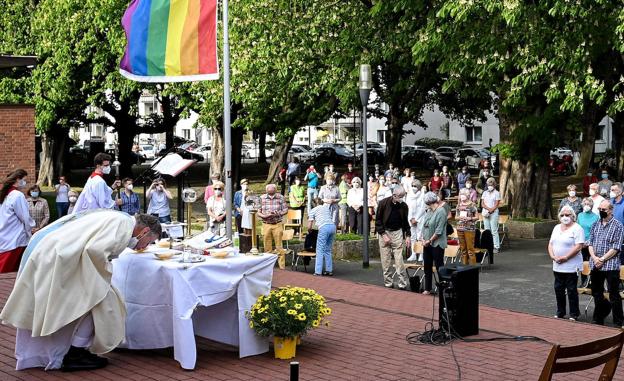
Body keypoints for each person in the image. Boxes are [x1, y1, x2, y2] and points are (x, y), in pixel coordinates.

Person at [0, 211, 161, 371]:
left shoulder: (119, 217)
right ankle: (74, 354)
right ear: (144, 231)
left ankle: (62, 352)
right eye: (149, 241)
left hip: (46, 250)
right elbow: (95, 251)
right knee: (102, 302)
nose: (145, 246)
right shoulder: (123, 227)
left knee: (84, 302)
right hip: (57, 257)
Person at [588, 200, 624, 326]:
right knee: (596, 293)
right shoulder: (595, 224)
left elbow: (616, 247)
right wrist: (594, 258)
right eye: (600, 209)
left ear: (610, 210)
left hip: (610, 265)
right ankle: (598, 318)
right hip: (595, 264)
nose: (601, 211)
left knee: (614, 294)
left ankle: (618, 321)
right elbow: (590, 243)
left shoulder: (617, 225)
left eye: (604, 209)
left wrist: (602, 259)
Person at [548, 205, 584, 321]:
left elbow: (579, 246)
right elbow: (551, 244)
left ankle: (574, 313)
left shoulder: (577, 228)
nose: (565, 217)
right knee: (558, 289)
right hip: (557, 265)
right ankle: (560, 312)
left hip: (571, 266)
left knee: (571, 290)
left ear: (573, 216)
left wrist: (566, 257)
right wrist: (553, 256)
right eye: (562, 215)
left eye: (567, 215)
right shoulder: (556, 228)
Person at [375, 186, 411, 290]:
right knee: (385, 260)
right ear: (394, 195)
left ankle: (402, 283)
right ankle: (388, 283)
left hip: (397, 232)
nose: (401, 199)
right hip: (385, 231)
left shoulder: (404, 206)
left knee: (399, 260)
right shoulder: (383, 203)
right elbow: (378, 221)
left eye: (403, 196)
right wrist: (383, 234)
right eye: (400, 196)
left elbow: (405, 222)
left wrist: (408, 235)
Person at [0, 169, 35, 273]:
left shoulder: (5, 194)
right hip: (14, 238)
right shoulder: (17, 195)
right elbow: (25, 217)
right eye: (24, 180)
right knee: (6, 273)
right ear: (17, 179)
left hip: (4, 235)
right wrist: (31, 231)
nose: (25, 183)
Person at [420, 191, 448, 294]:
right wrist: (423, 239)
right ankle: (428, 288)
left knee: (439, 266)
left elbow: (439, 231)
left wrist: (430, 240)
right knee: (427, 266)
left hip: (437, 243)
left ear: (428, 202)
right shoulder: (429, 211)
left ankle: (442, 288)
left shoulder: (441, 211)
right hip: (427, 243)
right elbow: (424, 226)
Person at [257, 184, 289, 268]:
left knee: (279, 247)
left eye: (272, 192)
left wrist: (279, 213)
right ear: (266, 190)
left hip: (277, 223)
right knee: (267, 247)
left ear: (275, 190)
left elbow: (285, 210)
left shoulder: (280, 197)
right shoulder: (261, 198)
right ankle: (269, 267)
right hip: (266, 223)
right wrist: (264, 216)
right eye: (269, 192)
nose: (271, 194)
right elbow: (258, 211)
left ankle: (282, 267)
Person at [307, 198, 336, 276]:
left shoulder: (313, 210)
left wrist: (309, 231)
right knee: (327, 249)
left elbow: (309, 226)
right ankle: (329, 270)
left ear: (313, 204)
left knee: (319, 249)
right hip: (332, 227)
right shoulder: (326, 208)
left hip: (324, 227)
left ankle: (318, 271)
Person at [577, 197, 599, 285]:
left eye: (588, 204)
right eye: (585, 204)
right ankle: (584, 281)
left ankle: (592, 281)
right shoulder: (580, 215)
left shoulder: (596, 217)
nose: (586, 206)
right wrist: (581, 242)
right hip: (581, 243)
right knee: (582, 263)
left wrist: (588, 242)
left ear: (592, 206)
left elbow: (596, 231)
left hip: (591, 244)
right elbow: (577, 228)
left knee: (591, 262)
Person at [455, 188, 479, 265]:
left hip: (469, 229)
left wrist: (469, 218)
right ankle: (464, 268)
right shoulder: (459, 205)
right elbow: (456, 217)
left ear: (467, 195)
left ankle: (472, 268)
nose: (461, 196)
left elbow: (477, 217)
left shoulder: (472, 205)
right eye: (461, 194)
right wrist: (460, 218)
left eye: (463, 194)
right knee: (463, 249)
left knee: (470, 249)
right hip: (460, 228)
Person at [406, 179, 426, 262]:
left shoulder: (422, 195)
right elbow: (407, 206)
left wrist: (416, 219)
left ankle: (421, 254)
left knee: (420, 236)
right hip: (411, 218)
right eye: (412, 186)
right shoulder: (409, 195)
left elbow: (422, 208)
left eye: (415, 186)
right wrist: (411, 218)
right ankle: (413, 254)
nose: (413, 188)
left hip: (420, 218)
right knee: (413, 237)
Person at [480, 177, 501, 254]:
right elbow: (482, 203)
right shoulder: (485, 193)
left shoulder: (497, 193)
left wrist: (491, 210)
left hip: (494, 213)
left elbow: (496, 204)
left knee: (494, 230)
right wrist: (488, 209)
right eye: (489, 184)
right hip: (486, 213)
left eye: (491, 184)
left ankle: (496, 246)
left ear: (494, 184)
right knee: (487, 230)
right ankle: (488, 246)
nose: (490, 185)